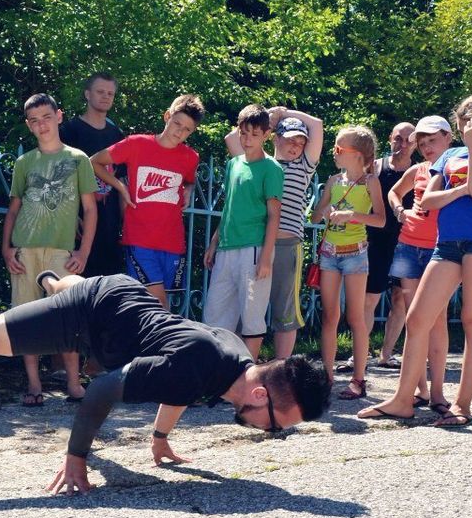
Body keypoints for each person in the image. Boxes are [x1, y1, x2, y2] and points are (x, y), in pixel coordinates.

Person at [0, 272, 332, 494]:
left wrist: (158, 441)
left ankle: (54, 282)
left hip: (120, 301)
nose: (266, 433)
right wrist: (76, 459)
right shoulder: (202, 366)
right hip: (93, 316)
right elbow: (107, 389)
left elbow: (176, 388)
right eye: (273, 428)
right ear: (262, 395)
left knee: (67, 285)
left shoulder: (236, 361)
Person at [359, 94, 472, 426]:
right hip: (447, 244)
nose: (466, 133)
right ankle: (403, 400)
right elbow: (428, 200)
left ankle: (462, 405)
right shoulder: (450, 155)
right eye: (462, 126)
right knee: (418, 319)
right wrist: (459, 188)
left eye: (471, 126)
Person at [2, 93, 97, 406]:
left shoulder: (78, 159)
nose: (41, 124)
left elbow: (90, 210)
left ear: (58, 116)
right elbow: (13, 210)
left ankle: (73, 382)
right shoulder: (24, 163)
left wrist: (83, 252)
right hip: (24, 250)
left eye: (46, 116)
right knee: (25, 319)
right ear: (29, 126)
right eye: (34, 120)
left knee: (67, 318)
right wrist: (6, 248)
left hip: (61, 251)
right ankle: (33, 385)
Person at [226, 107, 324, 359]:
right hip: (256, 245)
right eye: (290, 140)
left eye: (300, 143)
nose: (295, 147)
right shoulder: (261, 163)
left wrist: (286, 111)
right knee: (247, 309)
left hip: (288, 245)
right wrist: (267, 116)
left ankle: (281, 367)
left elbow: (317, 124)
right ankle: (241, 366)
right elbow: (231, 138)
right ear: (274, 137)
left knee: (285, 310)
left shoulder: (304, 166)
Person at [92, 94, 204, 306]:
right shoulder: (136, 144)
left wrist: (188, 189)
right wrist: (121, 187)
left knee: (159, 304)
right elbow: (94, 162)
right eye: (177, 123)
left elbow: (190, 179)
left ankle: (150, 339)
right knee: (156, 302)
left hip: (172, 242)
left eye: (186, 129)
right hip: (139, 239)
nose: (179, 131)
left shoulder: (191, 157)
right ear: (167, 116)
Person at [385, 116, 454, 415]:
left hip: (441, 251)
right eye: (421, 142)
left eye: (432, 141)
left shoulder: (458, 168)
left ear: (449, 138)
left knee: (436, 320)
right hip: (409, 247)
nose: (426, 147)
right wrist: (400, 212)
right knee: (415, 319)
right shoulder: (418, 169)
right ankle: (421, 389)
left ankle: (437, 392)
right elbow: (393, 192)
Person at [310, 126, 386, 399]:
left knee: (356, 318)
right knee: (330, 316)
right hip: (330, 254)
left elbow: (380, 220)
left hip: (356, 254)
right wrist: (326, 211)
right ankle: (327, 377)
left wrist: (352, 215)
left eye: (339, 149)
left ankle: (358, 379)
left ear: (356, 155)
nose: (335, 152)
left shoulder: (371, 183)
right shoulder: (333, 181)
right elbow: (315, 218)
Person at [203, 105, 284, 360]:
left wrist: (266, 258)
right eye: (244, 133)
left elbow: (274, 215)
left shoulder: (272, 168)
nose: (248, 139)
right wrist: (214, 242)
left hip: (254, 249)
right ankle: (216, 377)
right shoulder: (233, 164)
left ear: (266, 135)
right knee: (214, 315)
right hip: (226, 248)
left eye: (255, 134)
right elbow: (228, 206)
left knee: (251, 316)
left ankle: (248, 376)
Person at [59, 72, 125, 278]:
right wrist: (69, 218)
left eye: (110, 93)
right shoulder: (69, 131)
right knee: (74, 293)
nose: (106, 96)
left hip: (110, 228)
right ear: (87, 94)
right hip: (76, 227)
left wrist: (125, 222)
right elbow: (59, 179)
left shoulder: (117, 136)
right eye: (100, 92)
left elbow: (121, 181)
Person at [369, 122, 415, 370]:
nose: (403, 145)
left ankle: (386, 355)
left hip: (407, 243)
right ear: (390, 139)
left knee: (400, 298)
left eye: (409, 140)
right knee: (369, 299)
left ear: (416, 143)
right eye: (398, 139)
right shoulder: (376, 167)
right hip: (375, 241)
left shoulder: (421, 173)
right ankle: (359, 354)